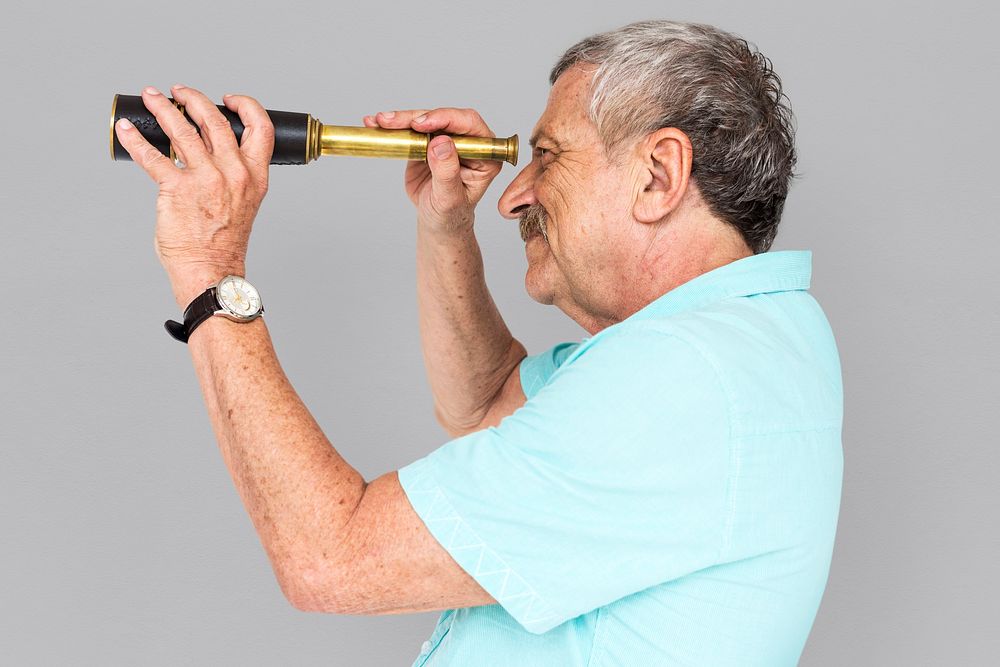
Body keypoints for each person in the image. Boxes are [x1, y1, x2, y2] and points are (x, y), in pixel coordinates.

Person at [114, 19, 843, 667]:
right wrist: (446, 222)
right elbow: (490, 400)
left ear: (658, 176)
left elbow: (329, 557)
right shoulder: (756, 338)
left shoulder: (683, 380)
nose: (514, 194)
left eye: (550, 156)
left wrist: (211, 271)